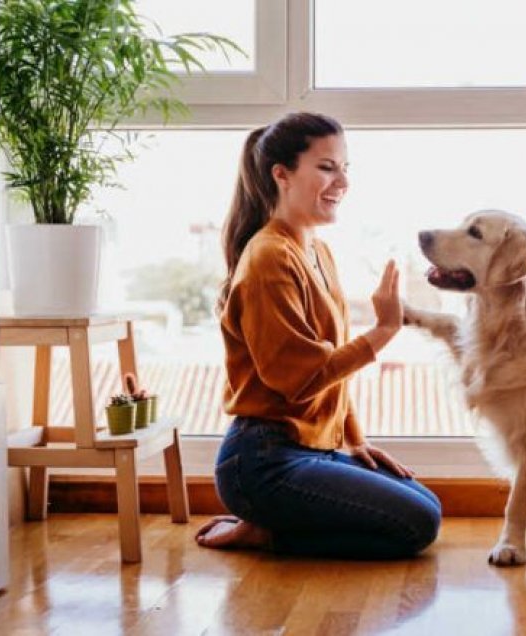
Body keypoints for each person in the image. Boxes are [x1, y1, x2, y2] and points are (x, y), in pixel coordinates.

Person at [195, 112, 442, 558]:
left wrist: (354, 438)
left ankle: (274, 524)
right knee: (416, 525)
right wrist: (384, 330)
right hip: (261, 461)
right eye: (327, 167)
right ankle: (266, 532)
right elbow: (299, 379)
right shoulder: (269, 258)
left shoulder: (316, 250)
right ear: (282, 175)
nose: (342, 182)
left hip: (311, 447)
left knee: (427, 504)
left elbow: (330, 373)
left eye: (346, 168)